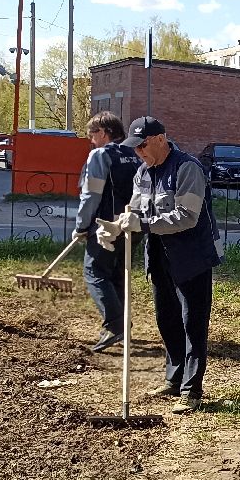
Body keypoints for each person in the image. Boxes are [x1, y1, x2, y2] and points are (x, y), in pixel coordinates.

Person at [96, 116, 223, 414]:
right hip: (159, 256)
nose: (138, 152)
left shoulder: (187, 168)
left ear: (161, 139)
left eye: (142, 145)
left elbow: (187, 216)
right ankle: (174, 378)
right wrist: (115, 228)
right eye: (135, 147)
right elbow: (136, 211)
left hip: (192, 257)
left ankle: (192, 390)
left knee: (192, 323)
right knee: (166, 318)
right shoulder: (143, 172)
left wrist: (142, 223)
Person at [72, 112, 139, 353]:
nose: (91, 140)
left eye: (92, 135)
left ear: (103, 132)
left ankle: (115, 324)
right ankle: (123, 322)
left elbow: (92, 195)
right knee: (117, 274)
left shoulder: (101, 155)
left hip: (106, 227)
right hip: (131, 225)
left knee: (95, 272)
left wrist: (81, 226)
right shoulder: (135, 154)